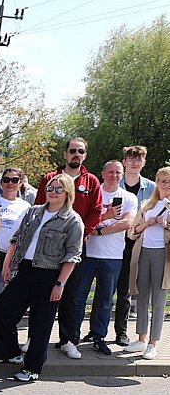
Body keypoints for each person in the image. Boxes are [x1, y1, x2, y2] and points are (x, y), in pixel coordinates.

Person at [0, 173, 83, 381]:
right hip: (25, 270)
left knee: (40, 325)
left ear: (67, 193)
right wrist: (7, 265)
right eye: (51, 188)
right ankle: (11, 352)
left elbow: (72, 256)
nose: (53, 192)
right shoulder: (33, 212)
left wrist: (60, 283)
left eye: (59, 189)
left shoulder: (72, 220)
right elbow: (16, 239)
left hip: (50, 275)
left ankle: (32, 369)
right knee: (2, 311)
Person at [35, 137, 102, 358]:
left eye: (80, 151)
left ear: (85, 155)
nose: (76, 154)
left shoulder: (91, 182)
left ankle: (68, 339)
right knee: (42, 292)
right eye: (72, 150)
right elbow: (39, 208)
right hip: (47, 246)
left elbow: (96, 211)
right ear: (65, 154)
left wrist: (83, 233)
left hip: (75, 247)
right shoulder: (49, 179)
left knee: (71, 295)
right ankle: (34, 338)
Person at [73, 161, 137, 354]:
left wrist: (98, 231)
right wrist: (106, 216)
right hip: (87, 254)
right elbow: (82, 222)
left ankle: (99, 336)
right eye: (110, 172)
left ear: (123, 174)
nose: (114, 175)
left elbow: (127, 223)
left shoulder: (128, 197)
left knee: (105, 300)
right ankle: (72, 336)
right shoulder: (93, 194)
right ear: (103, 173)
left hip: (113, 256)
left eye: (118, 172)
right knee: (78, 297)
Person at [103, 145, 155, 346]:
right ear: (124, 162)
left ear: (144, 162)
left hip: (138, 245)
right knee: (105, 290)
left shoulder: (151, 188)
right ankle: (96, 331)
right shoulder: (112, 183)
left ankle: (121, 332)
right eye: (130, 159)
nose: (134, 162)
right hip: (111, 242)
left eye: (138, 159)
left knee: (125, 290)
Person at [0, 167, 31, 351]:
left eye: (15, 180)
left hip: (10, 256)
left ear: (21, 182)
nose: (10, 183)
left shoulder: (26, 207)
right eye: (6, 179)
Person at [124, 167, 170, 360]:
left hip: (163, 255)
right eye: (162, 182)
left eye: (169, 182)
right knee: (141, 296)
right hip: (143, 253)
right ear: (157, 184)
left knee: (158, 300)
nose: (166, 186)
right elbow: (132, 232)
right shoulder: (147, 205)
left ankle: (153, 343)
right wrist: (147, 223)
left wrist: (165, 224)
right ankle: (141, 339)